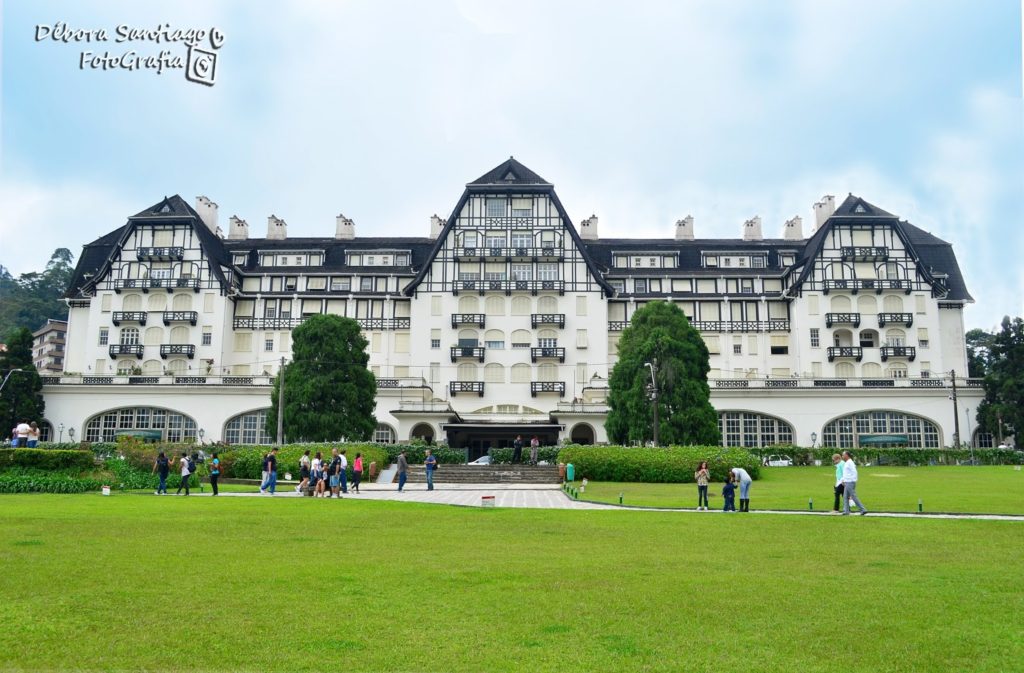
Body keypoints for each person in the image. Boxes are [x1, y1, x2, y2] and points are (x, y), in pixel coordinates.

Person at [841, 451, 868, 516]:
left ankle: (863, 509)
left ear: (847, 455)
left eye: (843, 455)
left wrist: (852, 480)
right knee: (845, 497)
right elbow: (846, 473)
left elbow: (854, 472)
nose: (842, 456)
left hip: (850, 482)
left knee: (853, 496)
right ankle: (846, 511)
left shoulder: (850, 463)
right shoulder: (847, 462)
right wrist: (843, 480)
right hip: (847, 481)